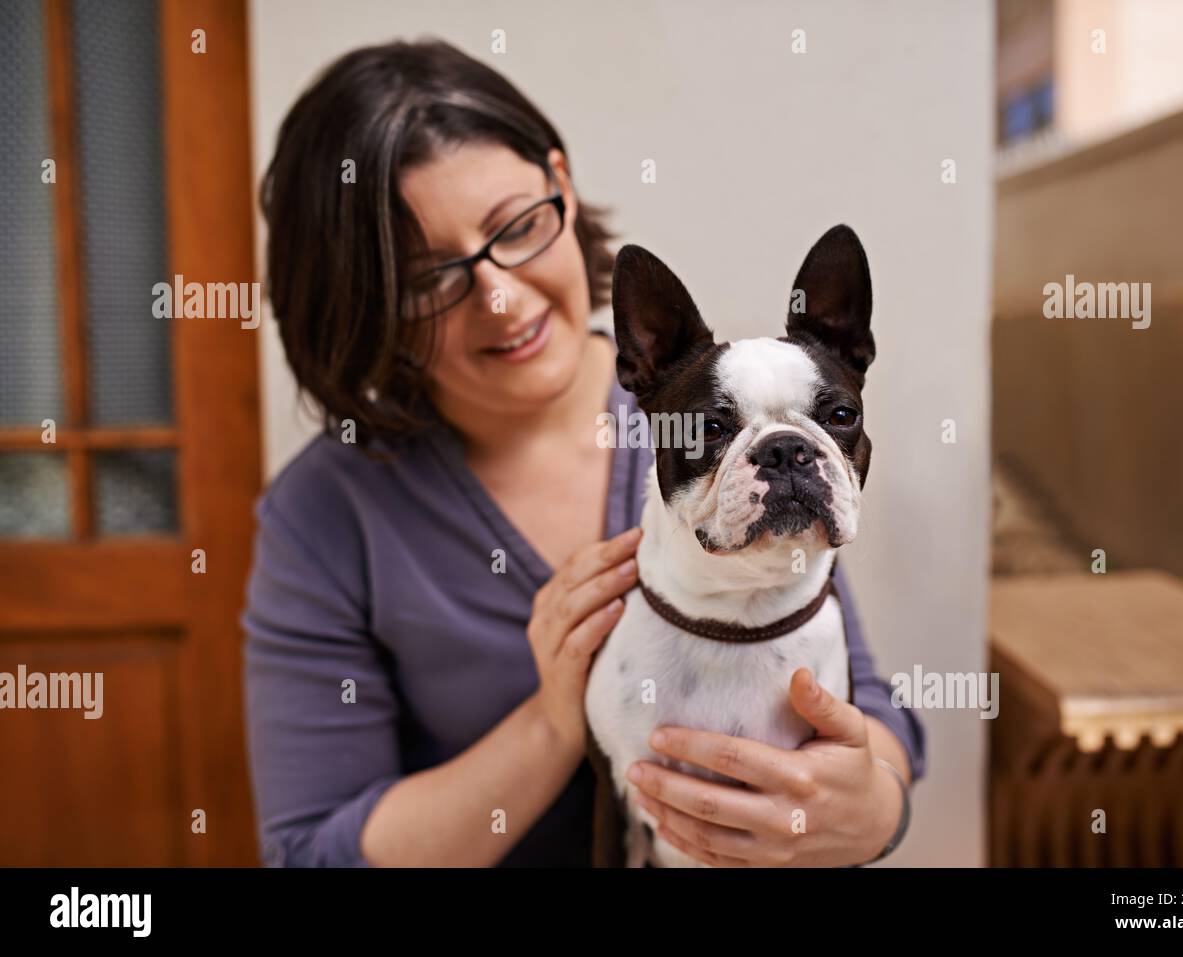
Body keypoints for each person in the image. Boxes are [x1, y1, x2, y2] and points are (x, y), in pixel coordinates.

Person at [243, 37, 925, 867]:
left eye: (516, 227)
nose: (500, 298)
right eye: (428, 278)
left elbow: (863, 706)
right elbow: (311, 853)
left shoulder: (725, 426)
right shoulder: (325, 514)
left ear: (560, 188)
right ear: (359, 303)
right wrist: (559, 719)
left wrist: (874, 805)